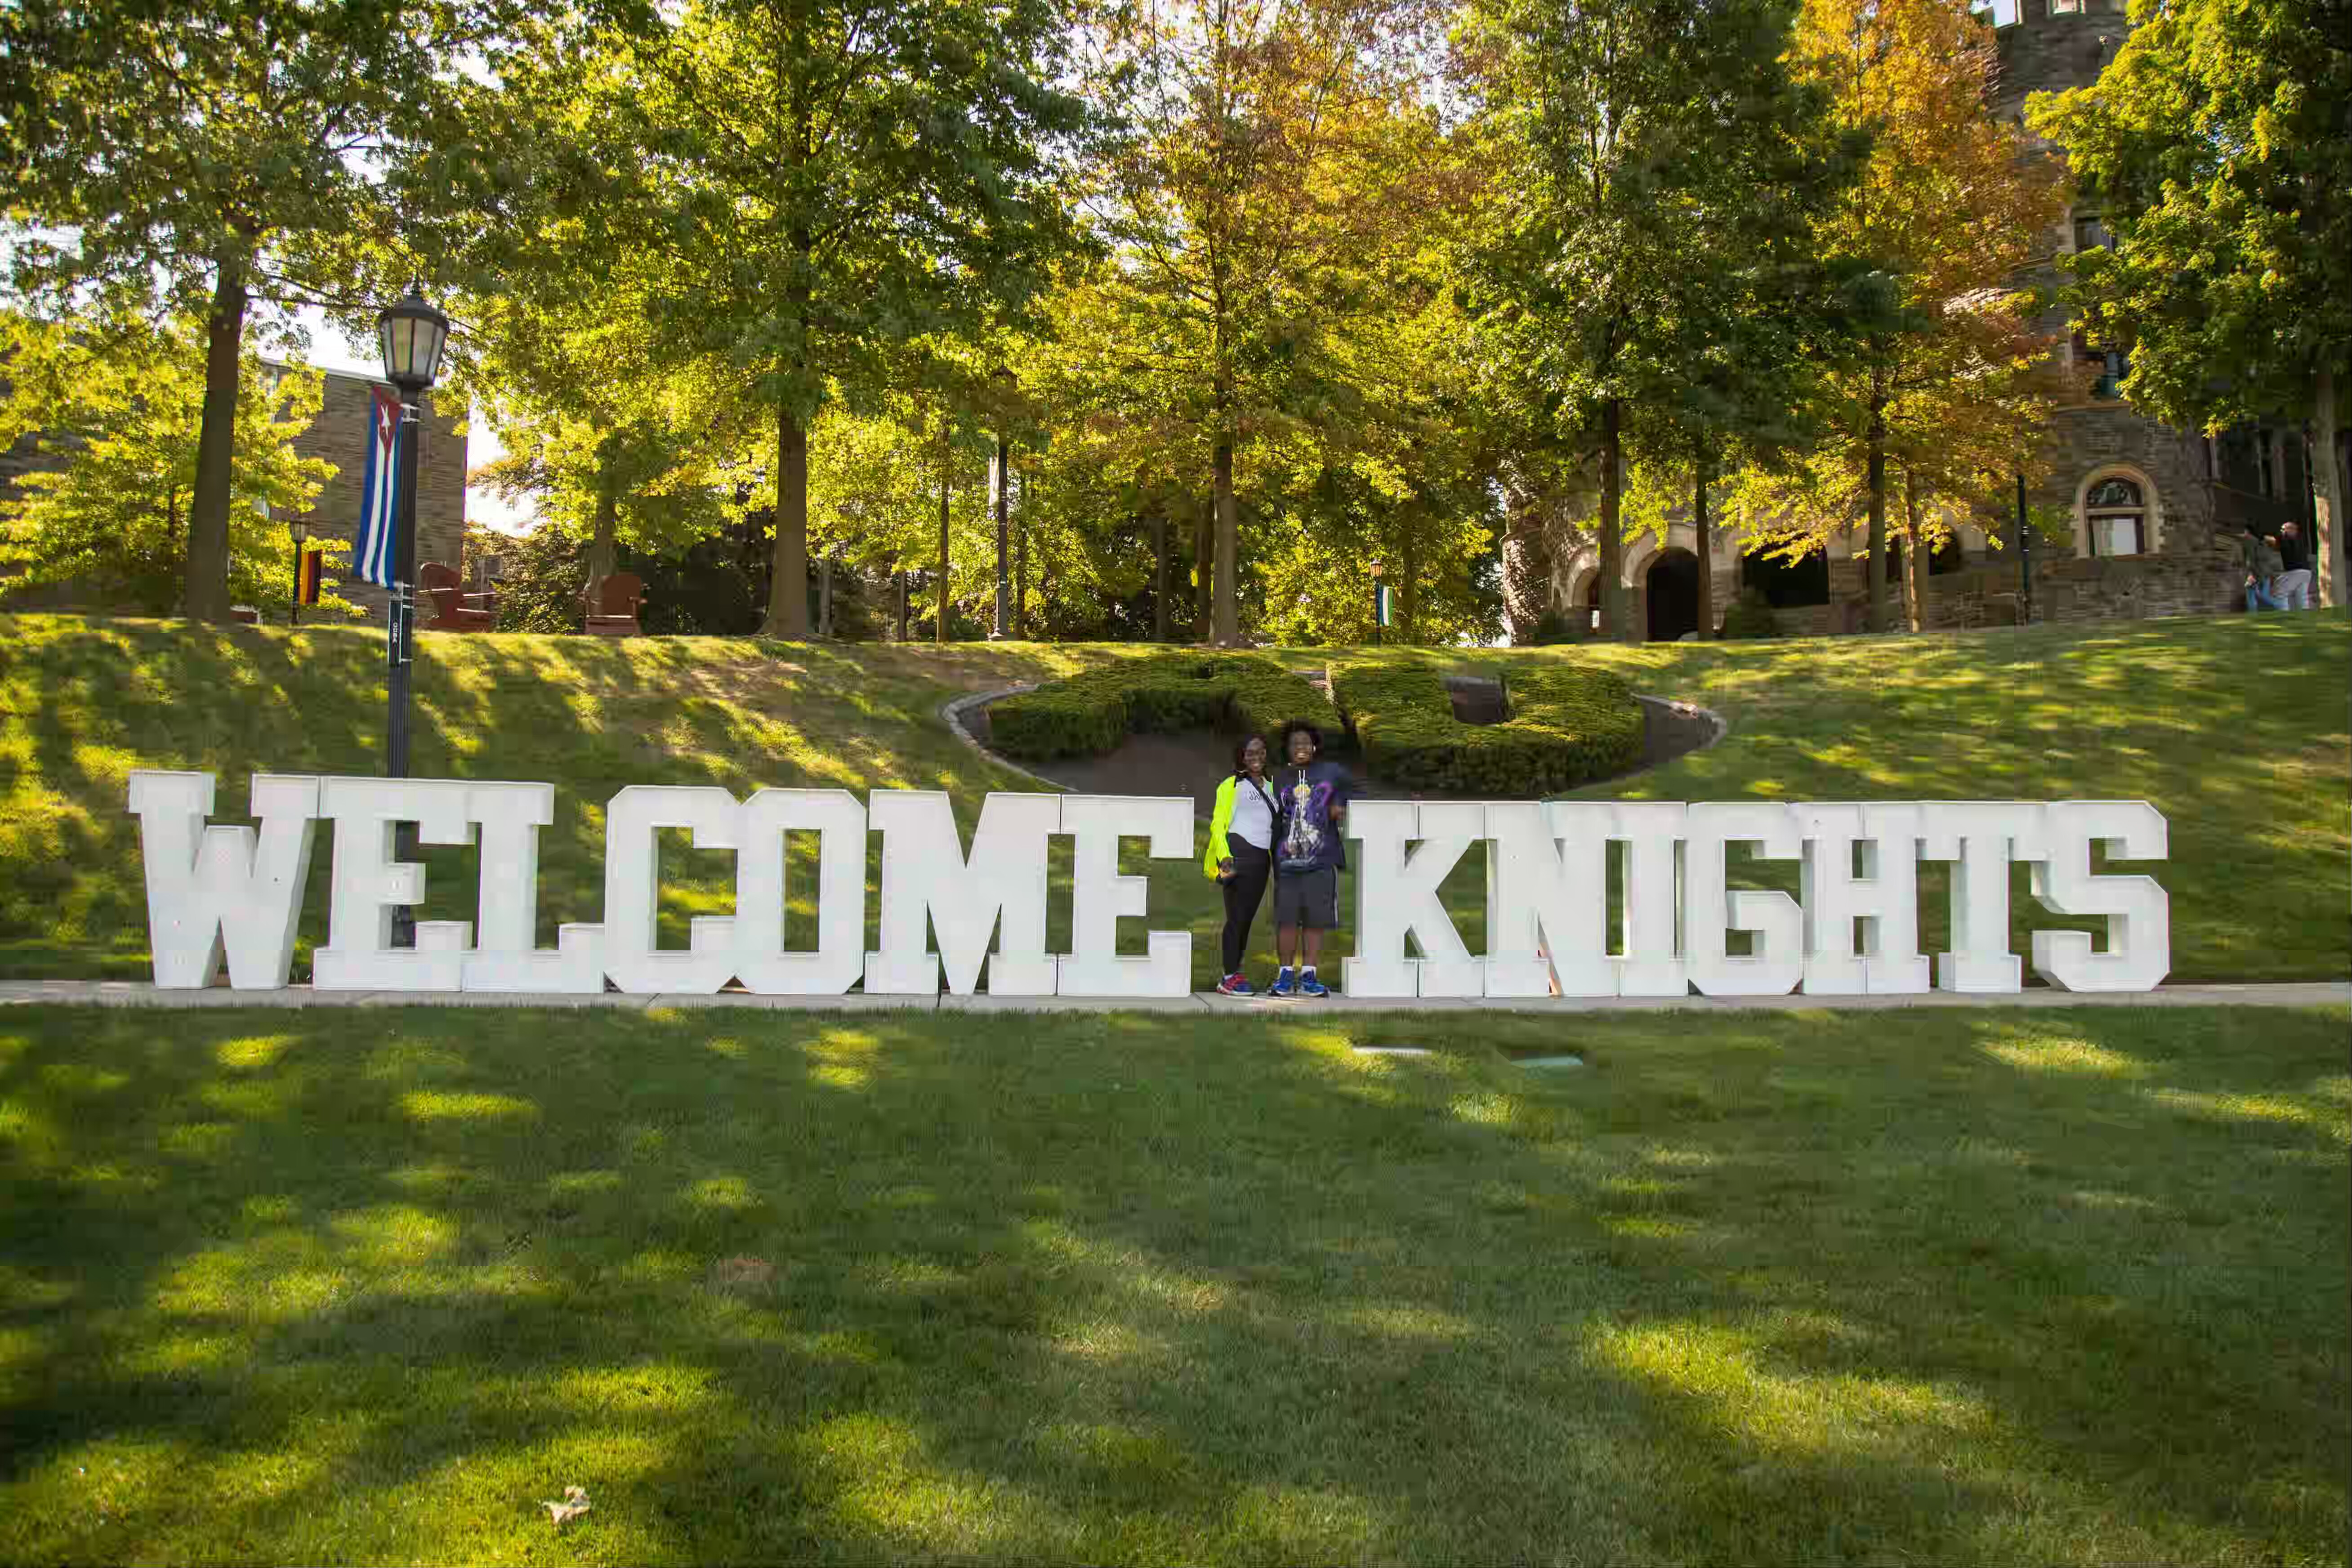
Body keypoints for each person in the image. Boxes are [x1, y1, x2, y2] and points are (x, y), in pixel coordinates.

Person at [1268, 719, 1352, 998]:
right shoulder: (1279, 778)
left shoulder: (1332, 771)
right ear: (1287, 749)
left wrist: (1340, 801)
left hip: (1322, 858)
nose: (1300, 747)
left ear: (1314, 746)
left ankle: (1309, 975)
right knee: (1287, 918)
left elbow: (1359, 788)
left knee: (1316, 919)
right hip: (1287, 860)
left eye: (1305, 742)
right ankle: (1284, 975)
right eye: (1295, 743)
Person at [1204, 734, 1278, 996]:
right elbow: (1217, 824)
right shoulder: (1231, 786)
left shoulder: (1272, 786)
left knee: (1246, 920)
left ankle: (1235, 973)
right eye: (1250, 753)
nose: (1256, 757)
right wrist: (1225, 858)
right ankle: (1229, 977)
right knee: (1236, 918)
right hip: (1237, 855)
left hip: (1261, 860)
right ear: (1241, 757)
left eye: (1260, 752)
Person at [2245, 527, 2286, 612]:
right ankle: (2280, 606)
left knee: (2256, 594)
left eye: (2246, 533)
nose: (2245, 535)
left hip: (2259, 574)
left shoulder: (2254, 544)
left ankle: (2280, 606)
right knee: (2259, 594)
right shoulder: (2262, 545)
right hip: (2262, 573)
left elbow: (2253, 561)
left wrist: (2251, 574)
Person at [2275, 520, 2315, 609]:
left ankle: (2284, 616)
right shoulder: (2300, 539)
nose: (2282, 531)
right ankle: (2304, 618)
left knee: (2280, 592)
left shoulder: (2286, 538)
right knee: (2302, 597)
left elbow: (2276, 543)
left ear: (2290, 530)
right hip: (2306, 572)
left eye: (2283, 529)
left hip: (2295, 571)